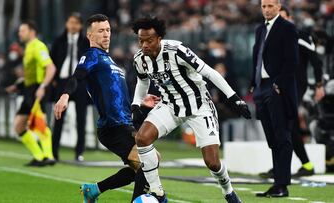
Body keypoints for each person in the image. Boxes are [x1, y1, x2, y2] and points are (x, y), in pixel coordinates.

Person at [131, 16, 251, 203]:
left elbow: (209, 72)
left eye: (149, 40)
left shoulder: (177, 50)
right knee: (142, 138)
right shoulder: (140, 60)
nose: (144, 45)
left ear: (160, 38)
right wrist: (136, 104)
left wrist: (235, 98)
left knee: (212, 162)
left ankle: (228, 192)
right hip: (170, 105)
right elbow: (142, 82)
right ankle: (158, 193)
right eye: (141, 40)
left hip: (199, 104)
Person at [54, 14, 160, 202]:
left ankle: (94, 190)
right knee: (147, 162)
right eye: (101, 31)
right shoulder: (91, 55)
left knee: (145, 164)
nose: (106, 34)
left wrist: (141, 104)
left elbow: (119, 100)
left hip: (125, 124)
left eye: (108, 30)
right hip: (112, 127)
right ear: (90, 36)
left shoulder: (111, 62)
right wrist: (65, 95)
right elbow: (77, 76)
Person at [259, 6, 325, 179]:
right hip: (274, 85)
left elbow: (316, 61)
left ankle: (298, 166)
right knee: (280, 125)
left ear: (289, 17)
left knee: (287, 125)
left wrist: (319, 85)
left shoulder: (300, 35)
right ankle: (288, 166)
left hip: (294, 86)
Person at [251, 0, 299, 198]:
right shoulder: (260, 29)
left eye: (270, 6)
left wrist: (279, 85)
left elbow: (292, 61)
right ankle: (277, 183)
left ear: (279, 7)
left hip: (276, 87)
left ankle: (282, 185)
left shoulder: (287, 28)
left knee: (282, 137)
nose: (266, 9)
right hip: (261, 88)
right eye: (263, 6)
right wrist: (254, 85)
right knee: (272, 139)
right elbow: (257, 57)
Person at [5, 20, 56, 166]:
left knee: (39, 123)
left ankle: (48, 156)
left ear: (32, 32)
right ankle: (40, 156)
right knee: (19, 126)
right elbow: (31, 73)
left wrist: (42, 87)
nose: (19, 33)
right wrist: (18, 85)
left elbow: (51, 68)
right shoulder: (28, 48)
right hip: (29, 90)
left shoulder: (38, 46)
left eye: (22, 31)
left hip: (36, 90)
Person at [50, 12, 90, 161]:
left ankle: (79, 152)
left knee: (81, 120)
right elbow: (51, 61)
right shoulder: (58, 41)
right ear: (66, 24)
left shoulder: (86, 42)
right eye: (70, 22)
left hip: (80, 83)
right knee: (58, 118)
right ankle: (53, 152)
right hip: (62, 83)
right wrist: (54, 80)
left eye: (76, 23)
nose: (73, 25)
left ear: (80, 25)